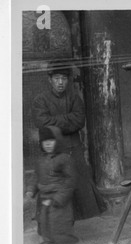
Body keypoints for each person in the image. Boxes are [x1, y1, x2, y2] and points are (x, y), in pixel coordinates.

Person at [33, 61, 107, 229]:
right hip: (50, 152)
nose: (61, 82)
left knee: (73, 190)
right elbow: (43, 123)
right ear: (50, 79)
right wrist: (67, 120)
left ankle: (66, 230)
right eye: (57, 78)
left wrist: (55, 123)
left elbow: (79, 121)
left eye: (64, 78)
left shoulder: (74, 98)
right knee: (48, 189)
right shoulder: (41, 100)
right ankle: (45, 233)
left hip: (73, 150)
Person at [26, 126, 81, 244]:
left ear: (57, 141)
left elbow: (71, 181)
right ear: (41, 143)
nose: (48, 144)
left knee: (61, 231)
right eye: (45, 141)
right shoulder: (40, 160)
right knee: (46, 233)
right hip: (44, 201)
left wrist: (58, 199)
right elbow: (36, 177)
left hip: (59, 202)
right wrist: (31, 190)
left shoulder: (64, 159)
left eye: (51, 140)